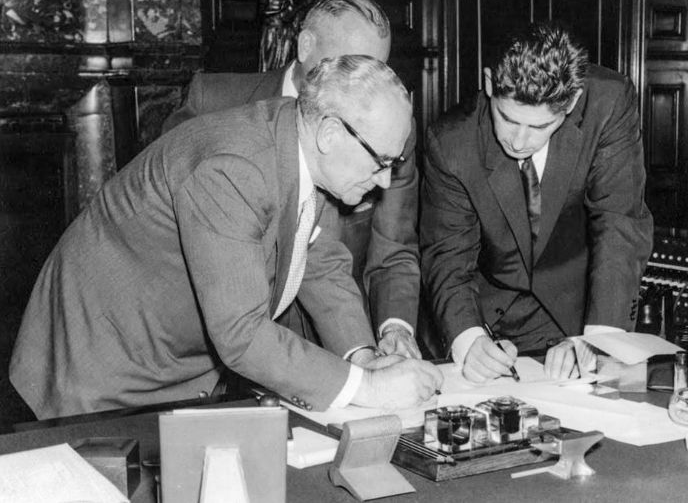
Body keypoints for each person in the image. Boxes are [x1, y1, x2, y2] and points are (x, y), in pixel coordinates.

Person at [10, 55, 443, 419]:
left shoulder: (302, 144)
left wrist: (362, 357)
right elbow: (241, 333)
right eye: (381, 161)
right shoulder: (236, 167)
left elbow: (318, 259)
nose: (386, 180)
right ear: (331, 133)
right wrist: (368, 389)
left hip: (174, 359)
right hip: (102, 360)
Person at [162, 0, 422, 360]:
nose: (362, 83)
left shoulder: (385, 133)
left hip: (333, 342)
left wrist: (386, 335)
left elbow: (386, 249)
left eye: (376, 69)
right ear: (304, 45)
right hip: (203, 349)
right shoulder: (214, 105)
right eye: (349, 63)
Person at [420, 23, 653, 384]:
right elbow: (448, 255)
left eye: (540, 127)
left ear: (571, 103)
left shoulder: (608, 103)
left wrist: (600, 339)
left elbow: (619, 223)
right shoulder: (451, 142)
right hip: (491, 313)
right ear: (488, 83)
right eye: (508, 118)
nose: (518, 141)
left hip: (582, 310)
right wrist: (469, 340)